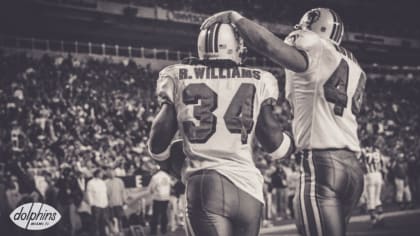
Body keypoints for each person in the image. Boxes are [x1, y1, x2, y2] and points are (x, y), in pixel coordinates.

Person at [201, 8, 366, 236]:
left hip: (322, 164)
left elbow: (270, 46)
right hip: (354, 170)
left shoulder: (313, 45)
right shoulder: (354, 64)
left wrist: (236, 18)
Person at [148, 23, 294, 236]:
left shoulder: (177, 75)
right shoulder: (260, 78)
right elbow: (275, 144)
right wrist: (292, 143)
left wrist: (167, 163)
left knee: (178, 150)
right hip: (249, 190)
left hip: (207, 186)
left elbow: (158, 140)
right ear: (234, 47)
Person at [361, 146, 385, 227]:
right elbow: (382, 164)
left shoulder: (363, 151)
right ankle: (381, 218)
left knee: (371, 199)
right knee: (377, 198)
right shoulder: (377, 151)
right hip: (378, 174)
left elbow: (361, 164)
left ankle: (374, 220)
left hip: (369, 174)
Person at [147, 166, 171, 235]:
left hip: (158, 198)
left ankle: (153, 231)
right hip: (166, 197)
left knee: (155, 215)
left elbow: (151, 188)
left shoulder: (155, 177)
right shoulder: (167, 176)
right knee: (164, 214)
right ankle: (164, 230)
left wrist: (153, 192)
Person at [86, 168, 110, 236]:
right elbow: (89, 193)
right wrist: (92, 204)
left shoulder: (102, 182)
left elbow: (104, 193)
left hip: (104, 205)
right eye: (101, 173)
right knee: (95, 222)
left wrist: (106, 203)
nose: (102, 174)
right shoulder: (90, 182)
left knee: (103, 222)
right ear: (97, 174)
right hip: (96, 205)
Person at [106, 168, 126, 233]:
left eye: (113, 172)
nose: (111, 174)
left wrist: (124, 200)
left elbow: (123, 191)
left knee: (120, 218)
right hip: (110, 204)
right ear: (107, 174)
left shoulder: (119, 181)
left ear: (115, 173)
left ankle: (121, 232)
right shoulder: (105, 182)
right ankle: (112, 232)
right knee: (111, 219)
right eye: (110, 172)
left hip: (118, 203)